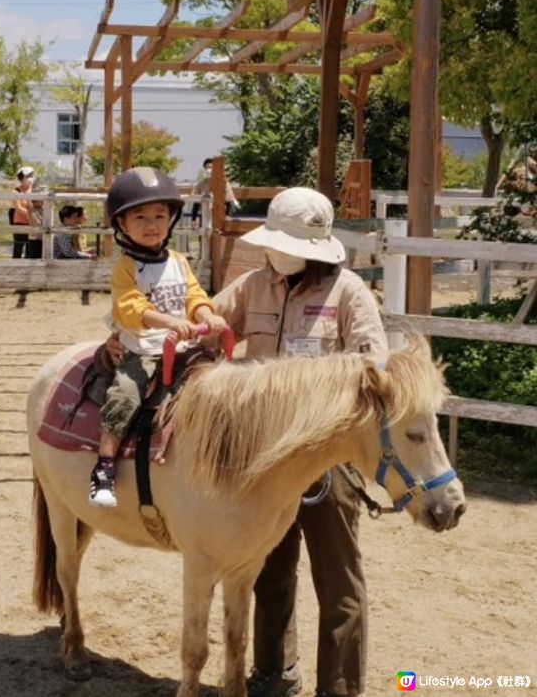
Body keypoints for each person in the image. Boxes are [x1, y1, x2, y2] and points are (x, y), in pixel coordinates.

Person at [211, 187, 389, 697]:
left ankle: (340, 688)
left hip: (329, 461)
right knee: (269, 571)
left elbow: (374, 368)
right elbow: (209, 325)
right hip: (265, 462)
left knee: (339, 581)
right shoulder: (251, 287)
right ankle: (273, 675)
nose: (278, 252)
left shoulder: (349, 293)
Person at [89, 167, 227, 509]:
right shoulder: (125, 267)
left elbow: (194, 295)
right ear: (122, 224)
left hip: (184, 346)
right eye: (140, 217)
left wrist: (207, 315)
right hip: (145, 350)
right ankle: (104, 467)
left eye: (159, 216)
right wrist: (168, 321)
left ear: (171, 220)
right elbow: (130, 307)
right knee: (125, 395)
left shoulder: (179, 261)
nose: (151, 224)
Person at [191, 157, 240, 227]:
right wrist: (193, 219)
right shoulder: (200, 184)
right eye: (206, 168)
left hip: (220, 217)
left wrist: (228, 219)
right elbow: (196, 203)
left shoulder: (224, 183)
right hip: (205, 216)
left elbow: (230, 202)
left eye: (211, 168)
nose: (208, 170)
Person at [10, 165, 35, 258]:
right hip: (20, 221)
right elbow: (18, 207)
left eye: (32, 176)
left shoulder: (34, 190)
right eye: (28, 176)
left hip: (32, 222)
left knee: (30, 246)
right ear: (22, 178)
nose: (31, 179)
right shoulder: (16, 191)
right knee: (18, 245)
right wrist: (29, 215)